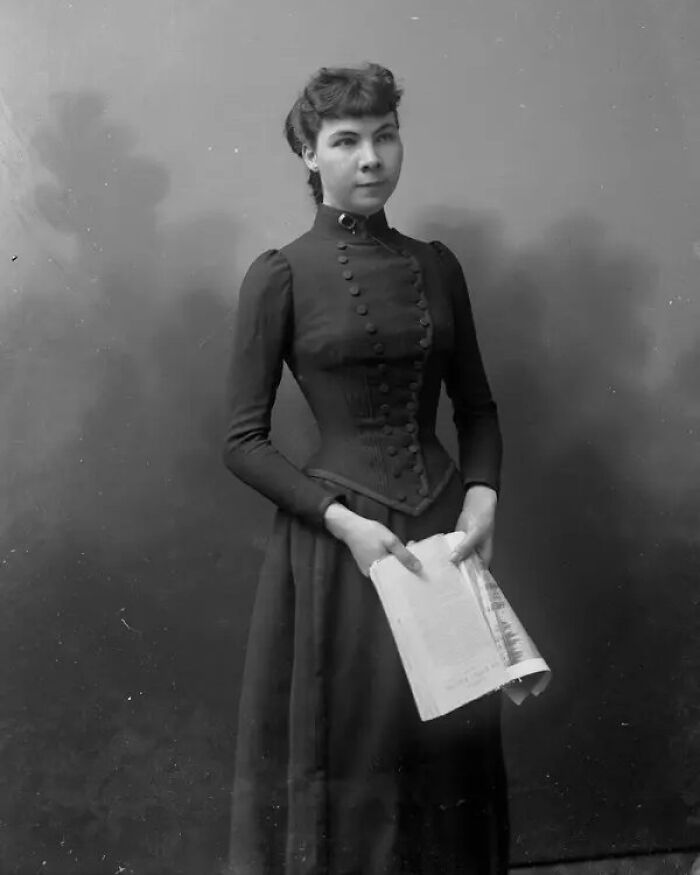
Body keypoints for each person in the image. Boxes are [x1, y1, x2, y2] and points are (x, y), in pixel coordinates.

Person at [222, 62, 508, 875]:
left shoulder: (437, 265)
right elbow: (241, 439)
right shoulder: (279, 274)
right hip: (346, 543)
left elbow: (478, 408)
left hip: (445, 538)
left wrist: (482, 497)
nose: (371, 158)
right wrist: (343, 523)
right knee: (355, 752)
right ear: (309, 157)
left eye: (385, 137)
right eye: (346, 142)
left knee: (452, 746)